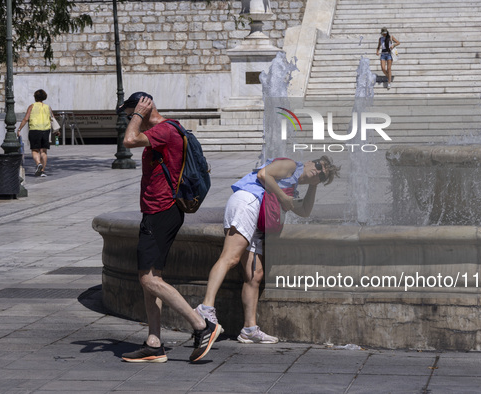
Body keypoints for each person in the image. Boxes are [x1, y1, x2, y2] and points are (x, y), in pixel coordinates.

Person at [119, 91, 221, 363]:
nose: (130, 120)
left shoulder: (164, 130)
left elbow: (128, 140)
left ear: (142, 108)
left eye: (130, 114)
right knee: (151, 279)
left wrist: (139, 115)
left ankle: (202, 325)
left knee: (148, 280)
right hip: (160, 211)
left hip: (161, 211)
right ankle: (154, 343)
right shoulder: (165, 130)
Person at [195, 156, 340, 344]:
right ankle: (205, 308)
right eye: (319, 166)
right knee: (230, 258)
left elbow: (304, 210)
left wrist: (313, 184)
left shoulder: (293, 185)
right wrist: (282, 197)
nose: (318, 171)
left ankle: (249, 329)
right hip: (248, 202)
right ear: (310, 162)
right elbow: (264, 174)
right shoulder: (290, 165)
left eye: (322, 176)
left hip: (258, 216)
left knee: (255, 275)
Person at [17, 89, 59, 177]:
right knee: (43, 151)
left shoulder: (32, 106)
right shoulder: (48, 107)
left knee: (35, 150)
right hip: (46, 130)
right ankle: (43, 171)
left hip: (34, 130)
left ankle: (38, 163)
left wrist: (19, 128)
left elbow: (26, 118)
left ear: (35, 97)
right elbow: (52, 119)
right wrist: (56, 130)